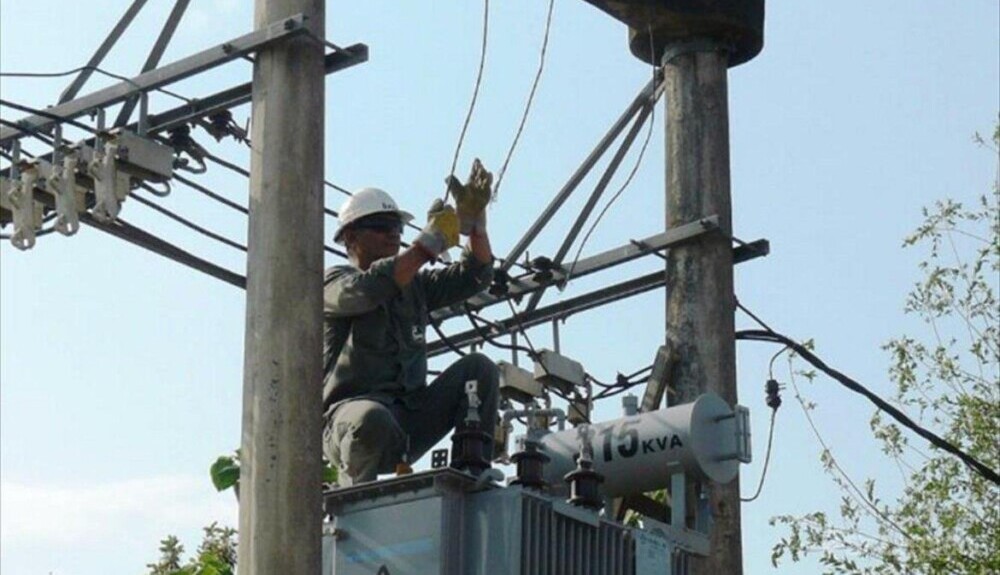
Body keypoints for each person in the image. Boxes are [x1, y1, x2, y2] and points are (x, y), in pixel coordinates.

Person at [322, 161, 500, 486]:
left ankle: (471, 473)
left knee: (479, 368)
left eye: (397, 227)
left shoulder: (414, 286)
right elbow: (370, 289)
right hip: (350, 422)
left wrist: (475, 226)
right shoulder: (334, 282)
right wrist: (429, 243)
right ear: (350, 237)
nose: (392, 233)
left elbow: (475, 276)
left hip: (410, 419)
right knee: (370, 417)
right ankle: (357, 503)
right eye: (380, 225)